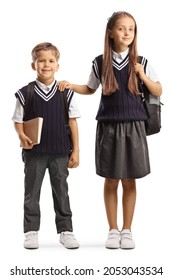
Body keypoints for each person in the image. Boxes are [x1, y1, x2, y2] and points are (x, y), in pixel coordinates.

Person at [58, 11, 162, 249]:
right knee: (111, 179)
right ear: (111, 32)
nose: (127, 33)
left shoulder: (141, 62)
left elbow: (158, 90)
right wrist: (69, 85)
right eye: (122, 28)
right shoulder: (99, 62)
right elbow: (89, 88)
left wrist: (142, 75)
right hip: (108, 126)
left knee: (129, 179)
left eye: (131, 29)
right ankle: (112, 230)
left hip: (134, 126)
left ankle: (127, 230)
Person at [12, 42, 80, 249]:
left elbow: (73, 121)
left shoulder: (65, 93)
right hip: (35, 153)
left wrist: (75, 150)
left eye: (51, 61)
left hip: (60, 152)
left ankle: (66, 230)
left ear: (57, 65)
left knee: (61, 191)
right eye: (41, 60)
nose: (46, 64)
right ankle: (31, 231)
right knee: (32, 191)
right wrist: (22, 136)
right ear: (34, 65)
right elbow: (18, 120)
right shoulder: (26, 93)